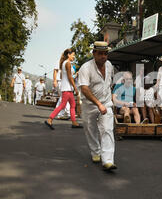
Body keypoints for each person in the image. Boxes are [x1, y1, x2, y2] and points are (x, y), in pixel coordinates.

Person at [78, 41, 117, 171]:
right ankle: (95, 152)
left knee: (107, 129)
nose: (103, 56)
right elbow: (84, 88)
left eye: (105, 54)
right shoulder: (85, 68)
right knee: (90, 129)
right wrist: (98, 103)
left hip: (106, 103)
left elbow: (110, 83)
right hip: (90, 105)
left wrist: (107, 100)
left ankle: (108, 160)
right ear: (94, 53)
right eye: (100, 53)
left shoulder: (110, 65)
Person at [44, 49, 82, 130]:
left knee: (72, 105)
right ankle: (49, 119)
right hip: (67, 88)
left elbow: (63, 76)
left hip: (67, 87)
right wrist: (75, 87)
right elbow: (69, 77)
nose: (74, 57)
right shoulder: (67, 63)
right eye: (73, 55)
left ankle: (74, 122)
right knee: (63, 105)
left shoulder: (64, 63)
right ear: (68, 54)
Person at [53, 55, 71, 120]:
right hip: (59, 81)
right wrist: (54, 81)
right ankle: (67, 113)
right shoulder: (59, 61)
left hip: (64, 81)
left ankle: (59, 114)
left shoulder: (67, 62)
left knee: (63, 97)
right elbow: (55, 71)